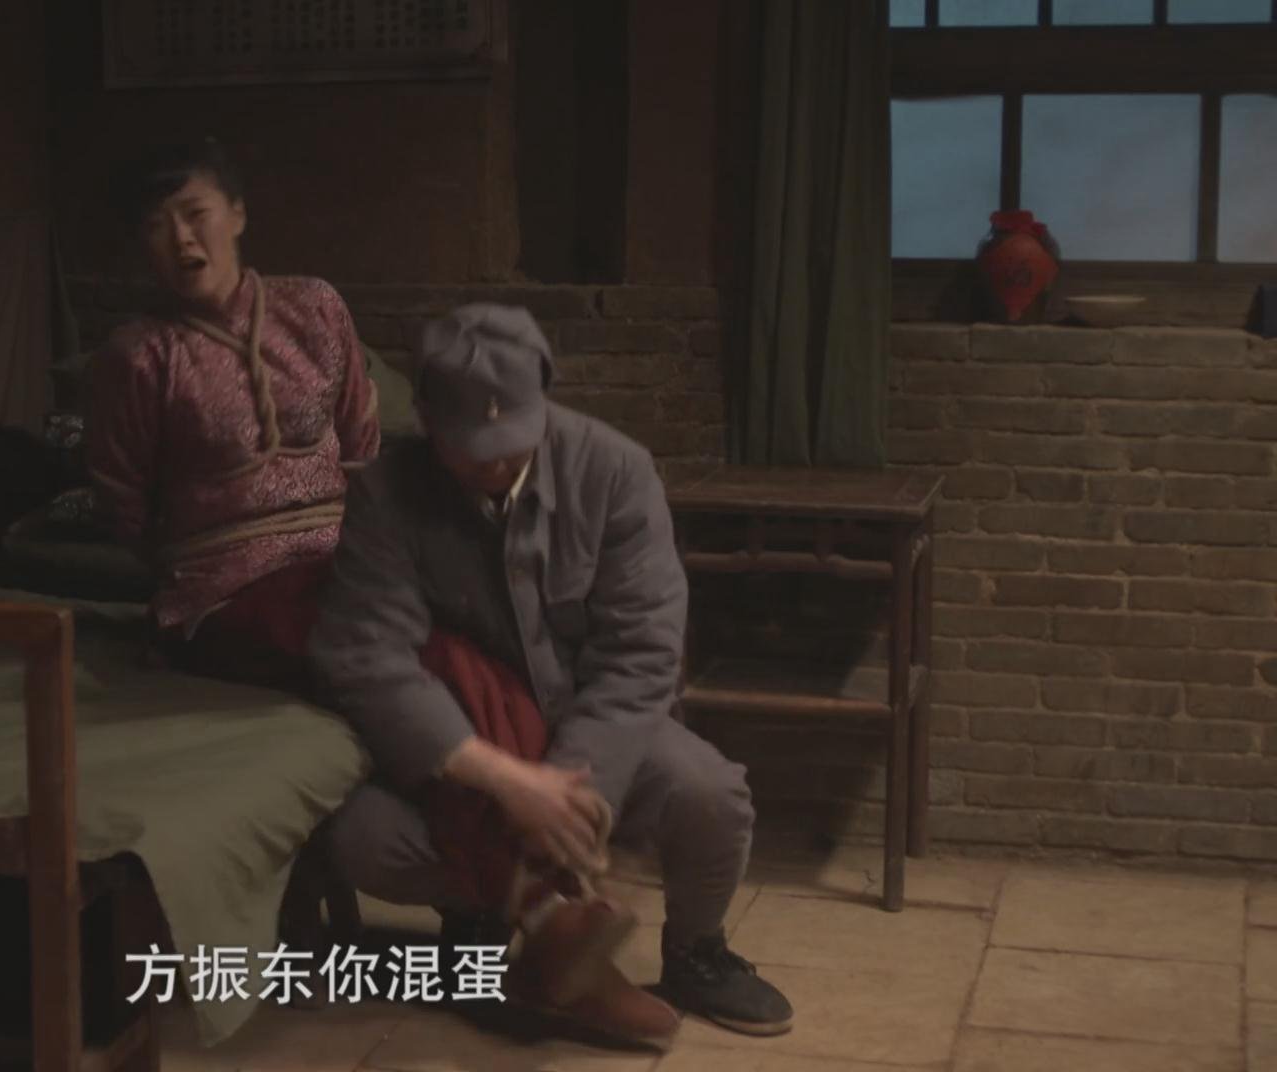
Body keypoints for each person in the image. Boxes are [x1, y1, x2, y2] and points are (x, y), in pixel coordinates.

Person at [305, 304, 794, 1049]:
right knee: (363, 836)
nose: (498, 465)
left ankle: (697, 953)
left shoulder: (616, 470)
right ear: (428, 422)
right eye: (474, 450)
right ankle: (490, 919)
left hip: (595, 729)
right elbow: (368, 657)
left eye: (515, 441)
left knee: (711, 795)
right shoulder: (386, 493)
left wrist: (570, 796)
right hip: (469, 738)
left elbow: (641, 652)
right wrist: (507, 782)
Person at [85, 139, 379, 681]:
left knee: (446, 626)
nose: (181, 238)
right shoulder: (141, 356)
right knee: (366, 642)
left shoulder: (315, 308)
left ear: (237, 215)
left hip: (341, 568)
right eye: (157, 226)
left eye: (196, 214)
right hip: (224, 591)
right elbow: (122, 501)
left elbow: (362, 444)